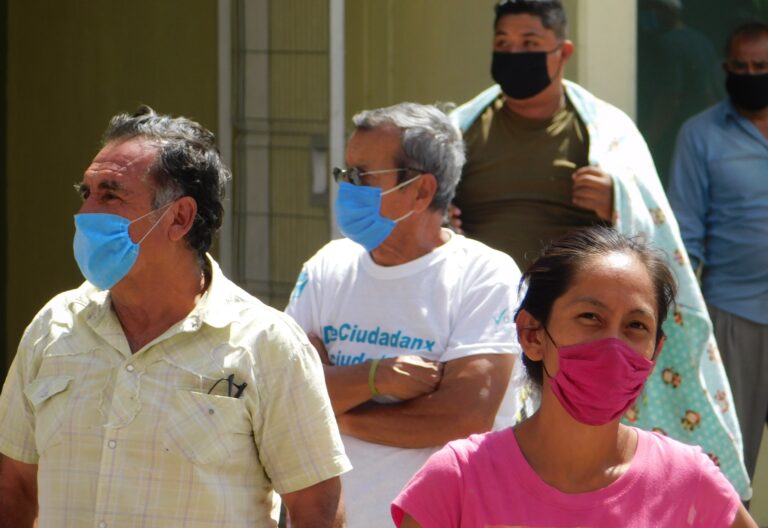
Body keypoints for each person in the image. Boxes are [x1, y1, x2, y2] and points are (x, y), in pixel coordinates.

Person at [449, 0, 750, 498]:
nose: (514, 54)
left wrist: (617, 199)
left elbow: (649, 224)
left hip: (575, 323)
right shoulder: (462, 131)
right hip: (485, 317)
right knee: (491, 448)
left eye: (530, 42)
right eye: (504, 42)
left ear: (562, 52)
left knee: (578, 443)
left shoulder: (607, 131)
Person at [0, 106, 350, 527]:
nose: (86, 213)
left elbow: (319, 509)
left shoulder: (266, 344)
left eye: (110, 194)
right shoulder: (53, 328)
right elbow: (15, 486)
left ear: (179, 218)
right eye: (86, 193)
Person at [392, 227, 757, 528]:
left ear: (655, 353)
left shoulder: (689, 482)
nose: (613, 344)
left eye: (635, 326)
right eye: (590, 317)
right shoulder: (457, 480)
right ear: (532, 334)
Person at [285, 103, 522, 527]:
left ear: (420, 191)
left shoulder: (483, 275)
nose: (347, 188)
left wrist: (332, 407)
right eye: (346, 174)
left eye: (362, 176)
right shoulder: (327, 267)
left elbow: (463, 417)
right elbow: (286, 393)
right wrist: (378, 376)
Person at [668, 21, 768, 487]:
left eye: (762, 67)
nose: (751, 75)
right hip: (733, 320)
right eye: (741, 67)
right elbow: (685, 238)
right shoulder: (700, 135)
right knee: (727, 470)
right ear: (726, 68)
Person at [636, 0, 722, 185]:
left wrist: (646, 142)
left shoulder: (668, 45)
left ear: (667, 10)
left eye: (649, 7)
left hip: (674, 142)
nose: (643, 13)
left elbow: (668, 99)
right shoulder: (700, 40)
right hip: (705, 140)